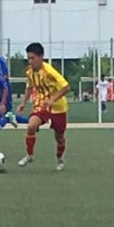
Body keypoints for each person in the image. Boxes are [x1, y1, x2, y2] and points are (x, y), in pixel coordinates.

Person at [17, 41, 70, 171]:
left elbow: (66, 87)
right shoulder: (30, 72)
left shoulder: (49, 71)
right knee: (31, 126)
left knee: (59, 137)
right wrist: (23, 103)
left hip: (58, 106)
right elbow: (29, 87)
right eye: (28, 58)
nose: (30, 61)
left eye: (32, 58)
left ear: (41, 57)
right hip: (41, 103)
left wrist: (52, 100)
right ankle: (29, 155)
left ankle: (60, 159)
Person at [0, 39, 25, 129]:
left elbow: (4, 75)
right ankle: (31, 121)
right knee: (4, 114)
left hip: (3, 92)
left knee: (3, 114)